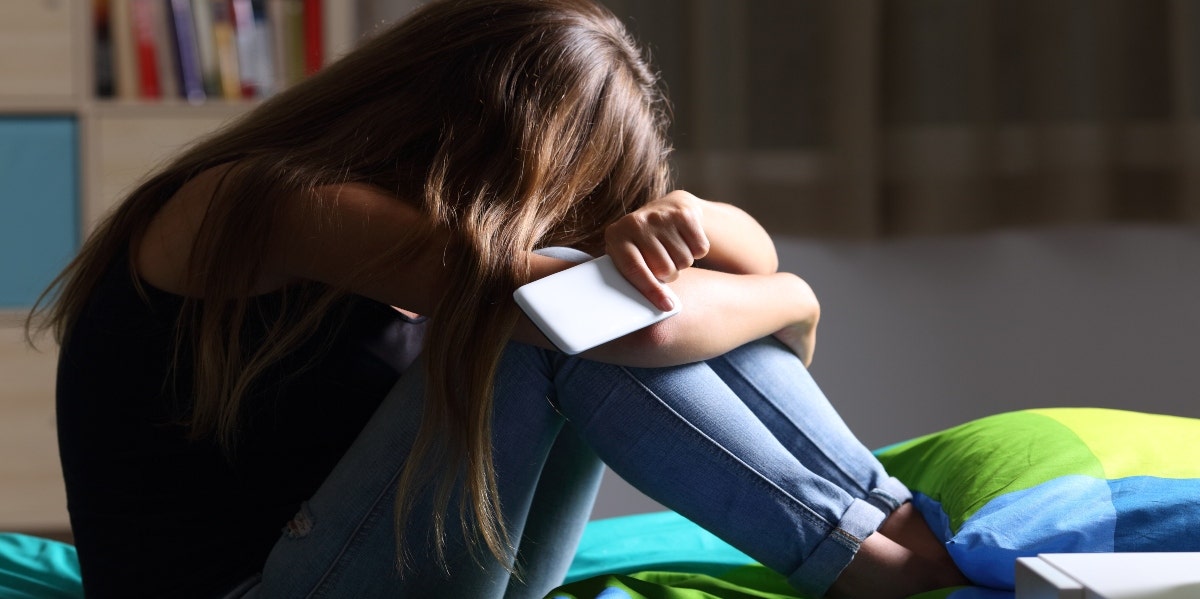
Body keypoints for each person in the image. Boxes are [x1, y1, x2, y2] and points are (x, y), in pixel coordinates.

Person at [29, 0, 968, 597]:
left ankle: (884, 520)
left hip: (400, 566)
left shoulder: (427, 228)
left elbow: (700, 286)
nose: (562, 220)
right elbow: (630, 325)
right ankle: (871, 558)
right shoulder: (272, 202)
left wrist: (691, 216)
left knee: (589, 302)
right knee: (566, 320)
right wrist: (794, 296)